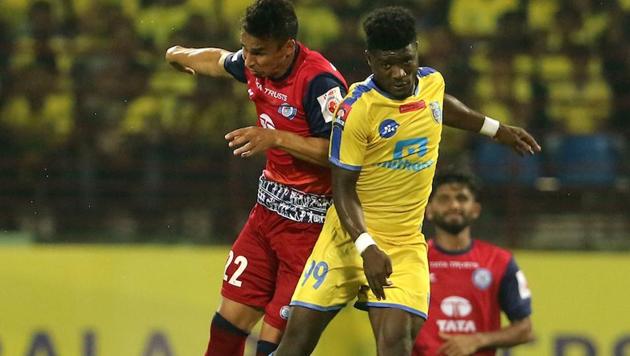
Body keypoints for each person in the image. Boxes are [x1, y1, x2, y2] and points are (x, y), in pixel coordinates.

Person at [274, 6, 540, 356]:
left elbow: (440, 104)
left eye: (406, 61)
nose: (399, 73)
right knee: (295, 345)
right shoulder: (357, 110)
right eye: (387, 65)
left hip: (403, 243)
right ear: (370, 60)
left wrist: (496, 129)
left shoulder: (432, 81)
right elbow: (343, 189)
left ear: (416, 48)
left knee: (397, 343)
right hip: (346, 239)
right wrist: (366, 247)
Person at [165, 1, 348, 355]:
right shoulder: (254, 64)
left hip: (309, 233)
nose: (249, 60)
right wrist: (178, 55)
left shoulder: (320, 83)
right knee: (225, 326)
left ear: (288, 47)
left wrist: (276, 137)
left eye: (259, 52)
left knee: (274, 347)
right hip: (265, 219)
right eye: (246, 48)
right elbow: (219, 60)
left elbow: (338, 153)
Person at [413, 172, 533, 356]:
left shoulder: (500, 261)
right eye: (444, 199)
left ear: (475, 209)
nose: (454, 205)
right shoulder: (414, 259)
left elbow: (525, 329)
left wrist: (478, 340)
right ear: (428, 210)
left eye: (462, 198)